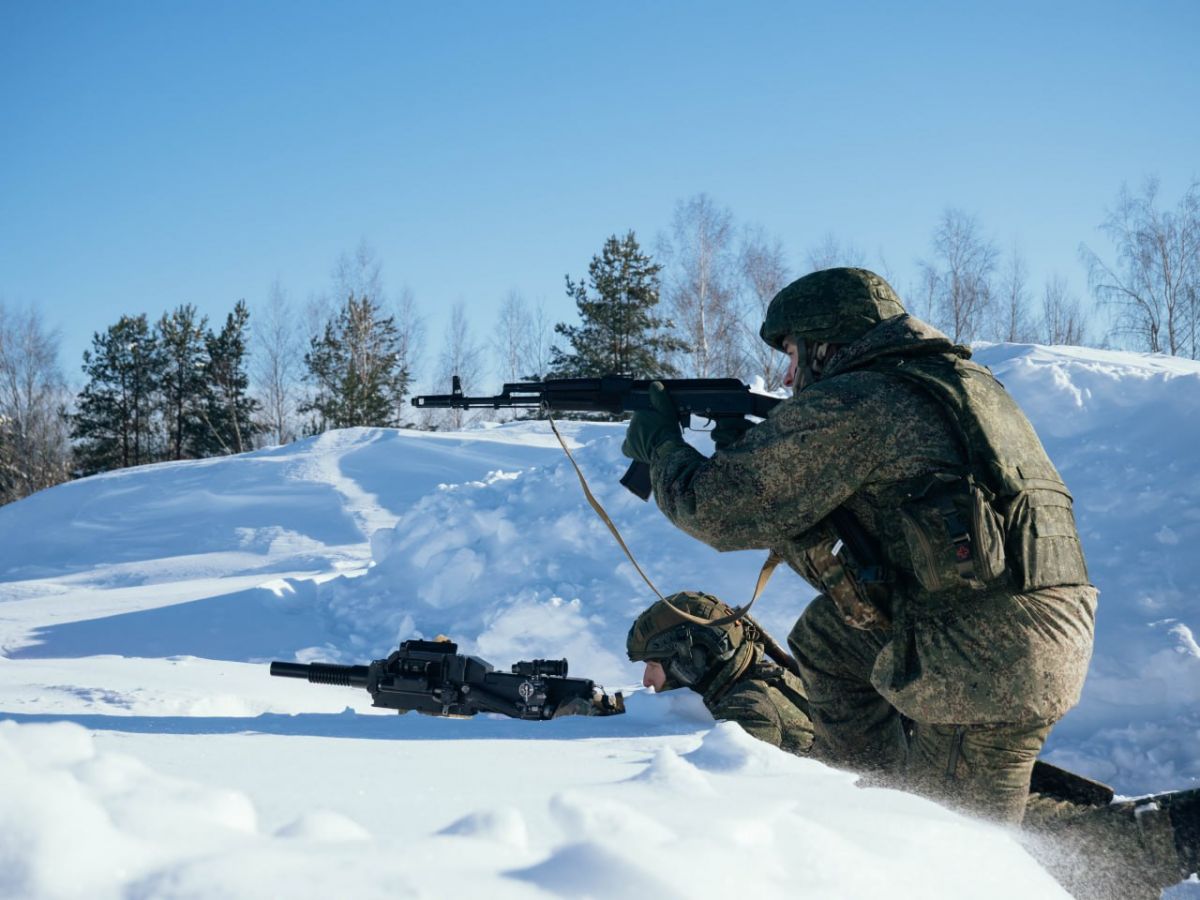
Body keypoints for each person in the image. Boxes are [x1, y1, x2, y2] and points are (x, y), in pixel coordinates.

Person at [621, 267, 1196, 895]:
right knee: (828, 640)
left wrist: (661, 448)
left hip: (981, 657)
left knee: (947, 852)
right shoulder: (954, 384)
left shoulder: (861, 399)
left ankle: (1163, 838)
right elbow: (859, 533)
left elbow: (718, 510)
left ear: (825, 345)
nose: (787, 377)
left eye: (792, 354)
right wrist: (756, 457)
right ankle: (874, 801)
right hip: (1015, 629)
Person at [625, 590, 814, 755]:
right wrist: (613, 706)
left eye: (653, 666)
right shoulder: (725, 689)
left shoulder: (748, 709)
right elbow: (639, 703)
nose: (646, 680)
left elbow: (713, 779)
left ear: (691, 661)